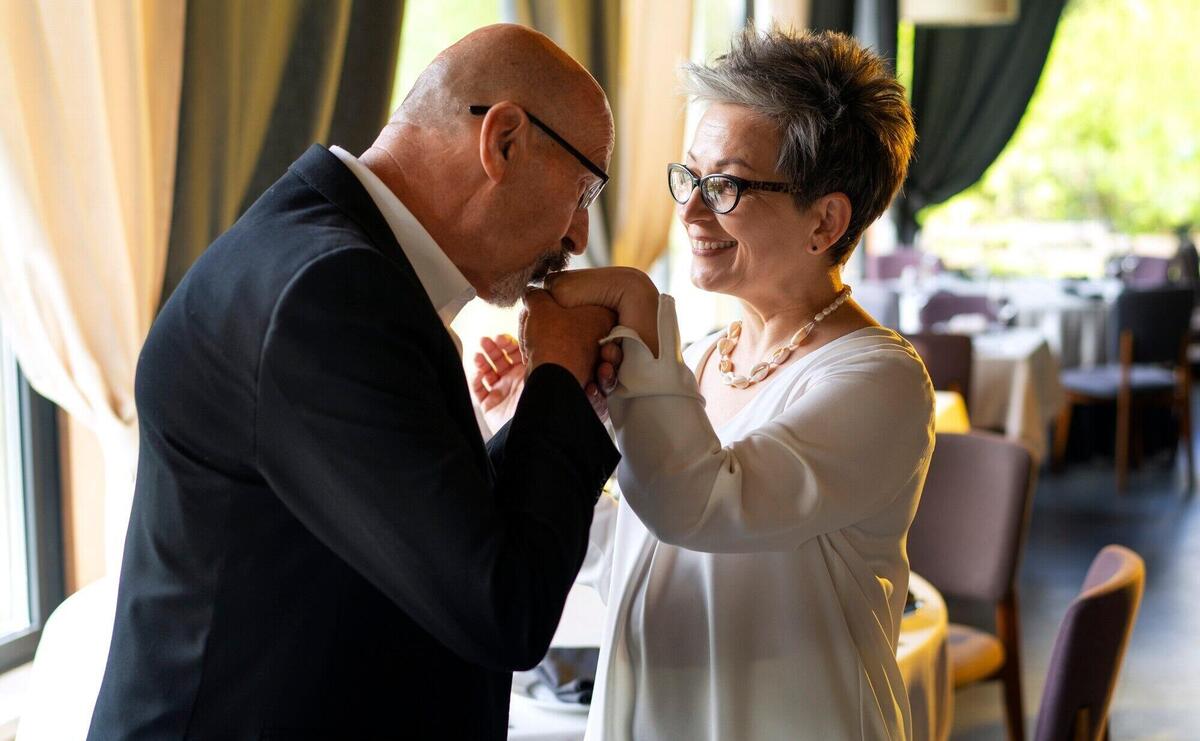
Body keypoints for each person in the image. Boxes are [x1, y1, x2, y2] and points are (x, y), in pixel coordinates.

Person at [87, 24, 620, 740]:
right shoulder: (331, 291)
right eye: (585, 188)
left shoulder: (326, 254)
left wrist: (546, 412)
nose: (580, 235)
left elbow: (411, 520)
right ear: (504, 141)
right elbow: (502, 609)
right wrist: (557, 377)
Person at [475, 29, 934, 739]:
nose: (688, 211)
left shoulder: (880, 380)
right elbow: (629, 554)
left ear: (825, 221)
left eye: (725, 185)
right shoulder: (707, 357)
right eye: (688, 176)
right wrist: (531, 419)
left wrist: (633, 298)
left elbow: (699, 506)